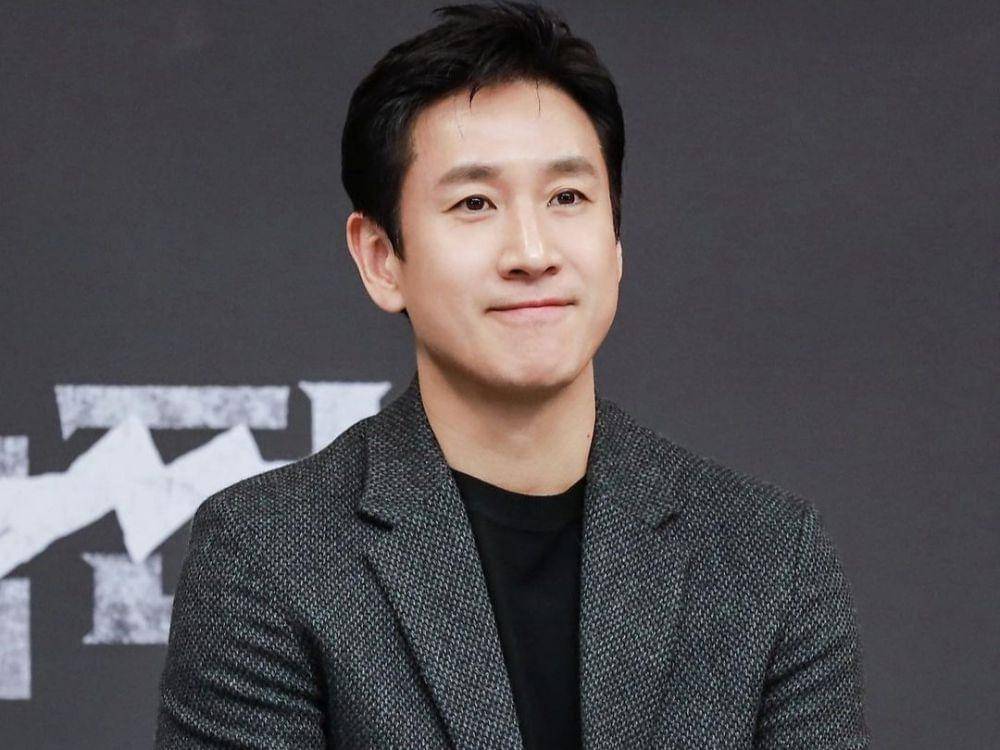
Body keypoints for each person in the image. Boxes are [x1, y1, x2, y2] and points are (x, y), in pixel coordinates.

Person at [155, 2, 871, 747]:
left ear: (616, 241)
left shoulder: (768, 555)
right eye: (475, 203)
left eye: (568, 198)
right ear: (381, 258)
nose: (532, 252)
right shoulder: (269, 555)